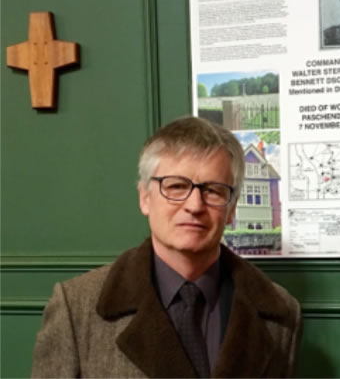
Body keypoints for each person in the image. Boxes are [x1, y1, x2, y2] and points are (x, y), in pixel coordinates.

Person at [32, 116, 302, 378]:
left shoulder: (280, 314)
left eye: (213, 190)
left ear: (231, 209)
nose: (195, 206)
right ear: (145, 198)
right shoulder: (77, 308)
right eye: (176, 186)